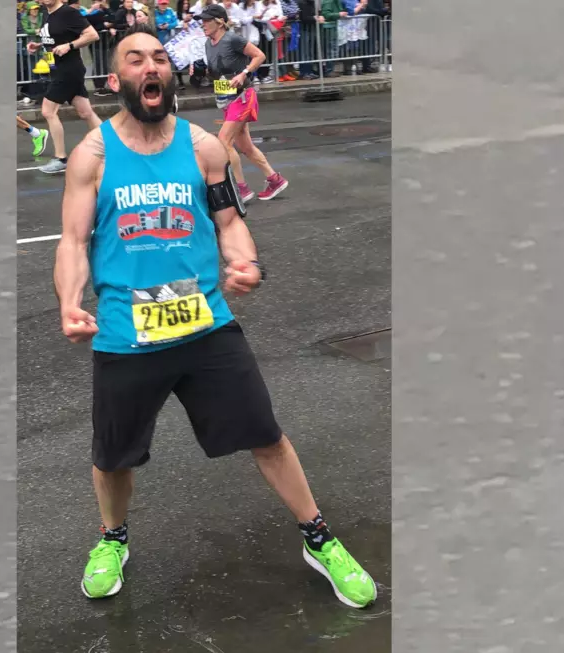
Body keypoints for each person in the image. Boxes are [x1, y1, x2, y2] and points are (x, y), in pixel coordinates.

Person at [54, 24, 377, 609]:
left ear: (170, 73)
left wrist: (246, 262)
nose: (150, 67)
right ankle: (112, 539)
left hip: (206, 326)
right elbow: (73, 242)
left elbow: (229, 221)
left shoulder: (204, 148)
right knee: (113, 455)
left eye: (159, 58)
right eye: (135, 60)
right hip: (128, 335)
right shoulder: (92, 156)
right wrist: (71, 303)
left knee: (267, 436)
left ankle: (319, 537)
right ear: (116, 78)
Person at [191, 4, 288, 203]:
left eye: (207, 21)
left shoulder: (232, 39)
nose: (203, 25)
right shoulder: (209, 44)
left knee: (224, 141)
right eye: (202, 21)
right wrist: (202, 72)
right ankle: (274, 180)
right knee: (246, 147)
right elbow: (217, 73)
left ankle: (241, 189)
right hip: (226, 97)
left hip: (243, 96)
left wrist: (244, 73)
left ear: (219, 22)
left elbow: (259, 55)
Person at [27, 0, 103, 174]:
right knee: (86, 112)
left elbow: (92, 35)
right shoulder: (47, 13)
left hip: (68, 70)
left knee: (48, 111)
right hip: (59, 69)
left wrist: (69, 46)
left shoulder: (68, 12)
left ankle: (60, 158)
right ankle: (113, 147)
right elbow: (57, 38)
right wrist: (39, 45)